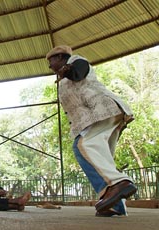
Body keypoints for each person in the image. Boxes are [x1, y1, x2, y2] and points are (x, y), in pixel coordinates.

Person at [46, 45, 137, 217]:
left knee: (82, 145)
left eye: (50, 61)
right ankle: (116, 205)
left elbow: (78, 72)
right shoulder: (63, 78)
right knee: (104, 159)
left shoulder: (76, 61)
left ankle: (119, 183)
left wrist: (67, 71)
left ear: (59, 57)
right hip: (98, 118)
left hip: (101, 111)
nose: (50, 66)